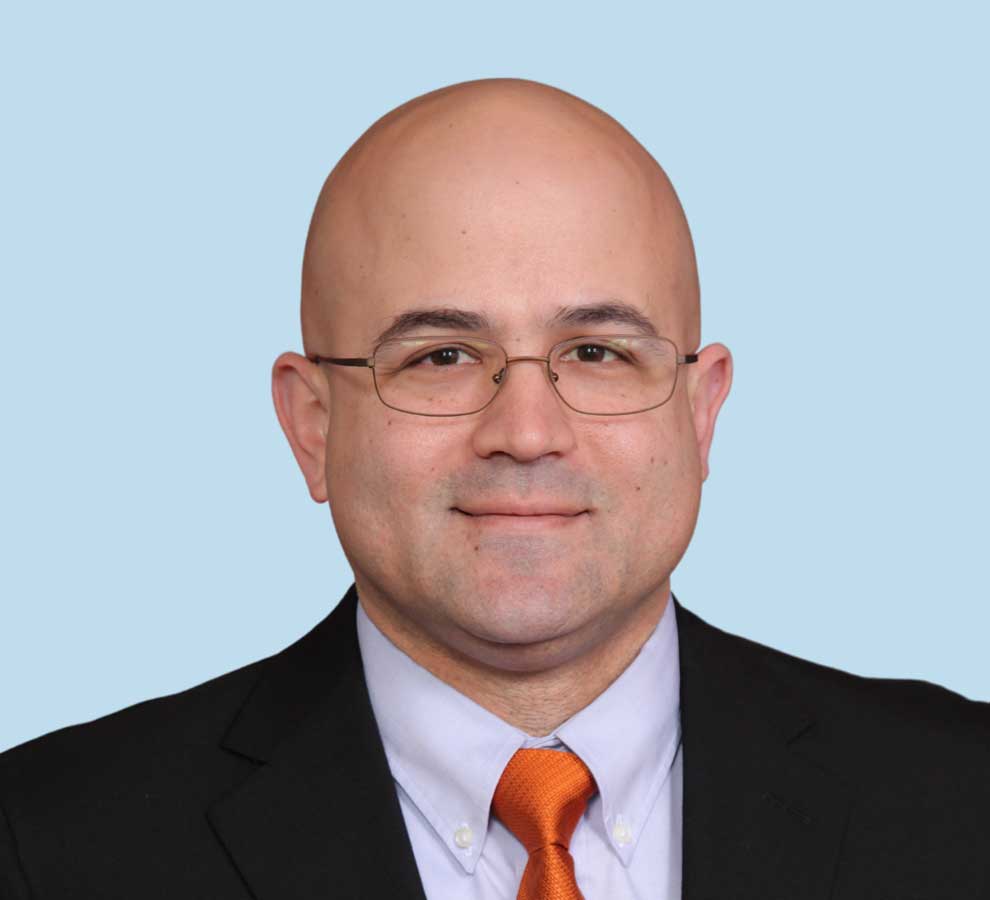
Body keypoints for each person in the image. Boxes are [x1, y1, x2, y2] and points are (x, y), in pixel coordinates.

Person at [1, 77, 986, 899]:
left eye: (596, 351)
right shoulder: (46, 847)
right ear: (312, 424)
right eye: (440, 357)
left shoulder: (964, 802)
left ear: (700, 412)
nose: (525, 433)